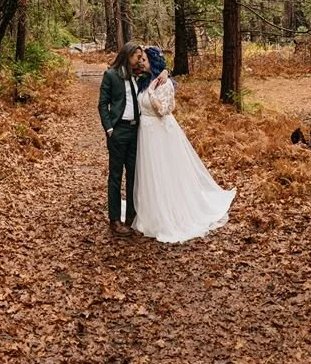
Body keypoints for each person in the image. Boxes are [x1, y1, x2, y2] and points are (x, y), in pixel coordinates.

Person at [130, 46, 236, 243]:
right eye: (140, 59)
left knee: (164, 171)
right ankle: (149, 210)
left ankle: (168, 212)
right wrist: (159, 75)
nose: (141, 62)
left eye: (144, 59)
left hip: (160, 134)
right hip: (146, 133)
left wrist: (154, 90)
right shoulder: (143, 80)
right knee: (150, 172)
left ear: (152, 61)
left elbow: (163, 110)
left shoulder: (164, 84)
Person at [97, 43, 151, 236]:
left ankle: (131, 217)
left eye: (140, 56)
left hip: (136, 131)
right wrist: (109, 128)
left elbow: (160, 68)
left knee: (134, 176)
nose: (139, 59)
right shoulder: (111, 75)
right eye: (136, 56)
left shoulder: (139, 75)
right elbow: (102, 104)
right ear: (127, 55)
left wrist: (164, 70)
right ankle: (115, 220)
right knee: (115, 176)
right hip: (118, 131)